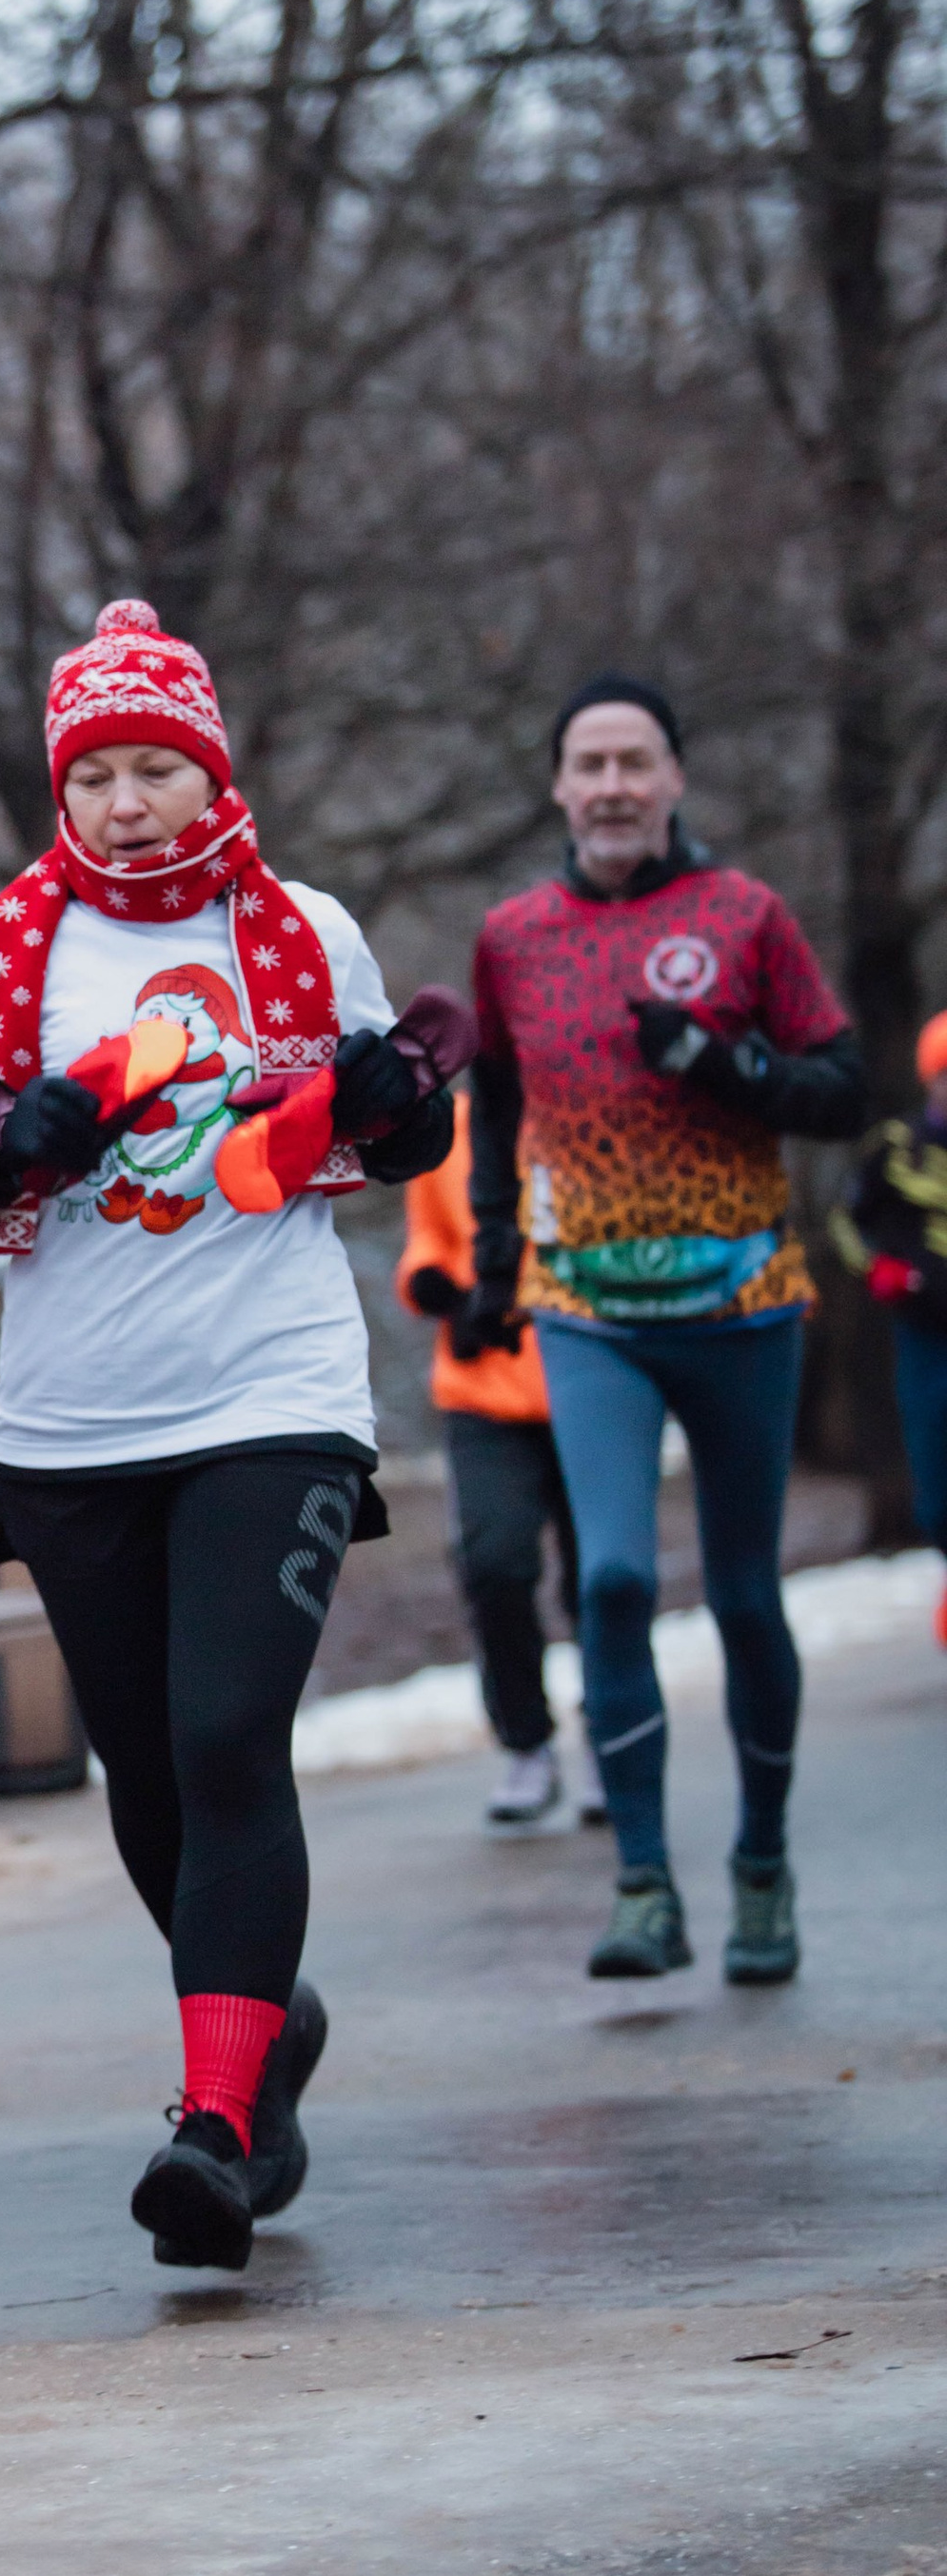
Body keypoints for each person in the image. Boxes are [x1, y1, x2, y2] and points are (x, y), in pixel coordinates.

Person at [0, 600, 451, 2274]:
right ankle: (265, 2032)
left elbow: (400, 1119)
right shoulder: (0, 947)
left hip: (270, 1392)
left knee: (223, 1738)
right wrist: (8, 1139)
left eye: (156, 771)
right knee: (146, 1778)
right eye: (99, 773)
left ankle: (211, 2125)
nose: (126, 804)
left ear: (209, 776)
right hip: (71, 1420)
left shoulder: (302, 929)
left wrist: (408, 1109)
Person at [470, 678, 867, 1991]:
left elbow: (839, 1089)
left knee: (747, 1598)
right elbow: (496, 1106)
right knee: (614, 1581)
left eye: (636, 761)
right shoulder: (513, 935)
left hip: (742, 1304)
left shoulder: (744, 916)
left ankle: (760, 1866)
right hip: (587, 1313)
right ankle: (643, 1881)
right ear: (559, 787)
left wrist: (723, 1061)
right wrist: (490, 1265)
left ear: (676, 779)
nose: (613, 786)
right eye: (589, 763)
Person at [396, 1090, 586, 1826]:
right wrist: (438, 1289)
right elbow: (429, 1241)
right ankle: (525, 1743)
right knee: (494, 1564)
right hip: (483, 1390)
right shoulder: (453, 1129)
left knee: (601, 1574)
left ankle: (611, 1728)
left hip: (589, 1381)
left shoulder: (585, 1113)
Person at [833, 1006, 947, 1643]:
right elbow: (849, 1221)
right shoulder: (896, 1148)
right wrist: (879, 1271)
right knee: (936, 1477)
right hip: (926, 1334)